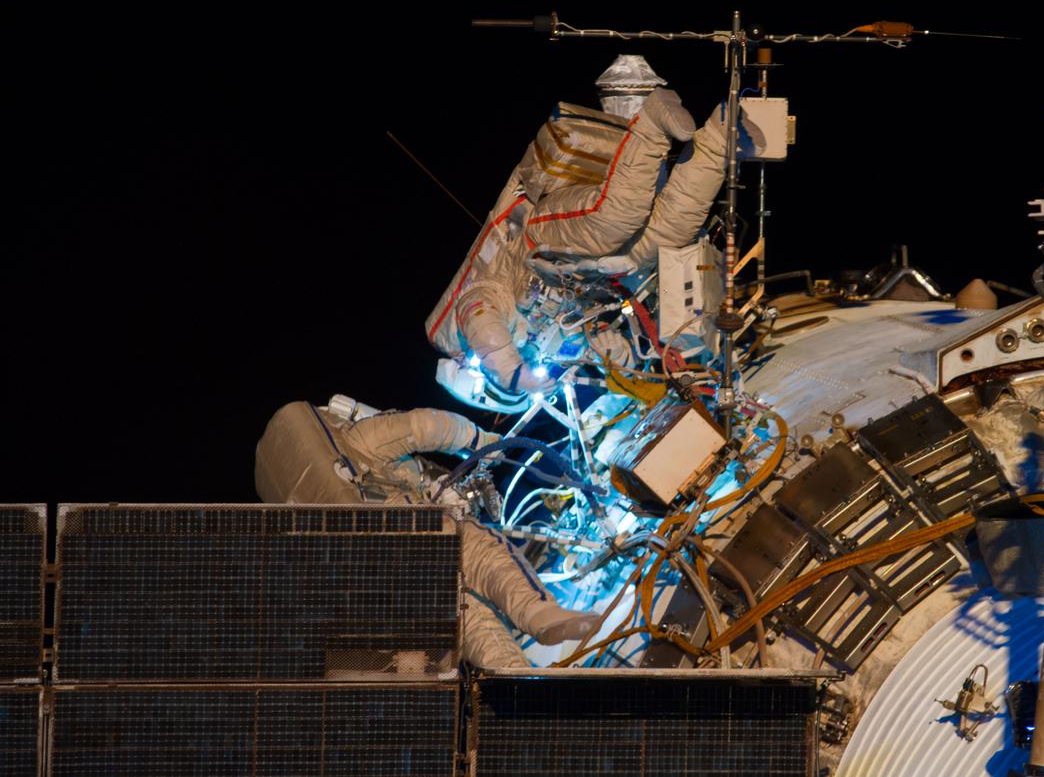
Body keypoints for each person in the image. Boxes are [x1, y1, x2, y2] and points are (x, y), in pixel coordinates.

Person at [426, 55, 741, 406]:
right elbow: (594, 330)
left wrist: (515, 375)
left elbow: (481, 319)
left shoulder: (467, 325)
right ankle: (721, 134)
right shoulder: (546, 346)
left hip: (540, 238)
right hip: (591, 268)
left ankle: (651, 120)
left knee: (612, 221)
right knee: (668, 234)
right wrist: (616, 353)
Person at [254, 395, 599, 668]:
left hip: (365, 576)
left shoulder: (307, 500)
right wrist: (481, 439)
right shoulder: (357, 438)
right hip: (405, 525)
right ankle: (538, 613)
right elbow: (425, 426)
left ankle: (511, 673)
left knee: (464, 615)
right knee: (480, 549)